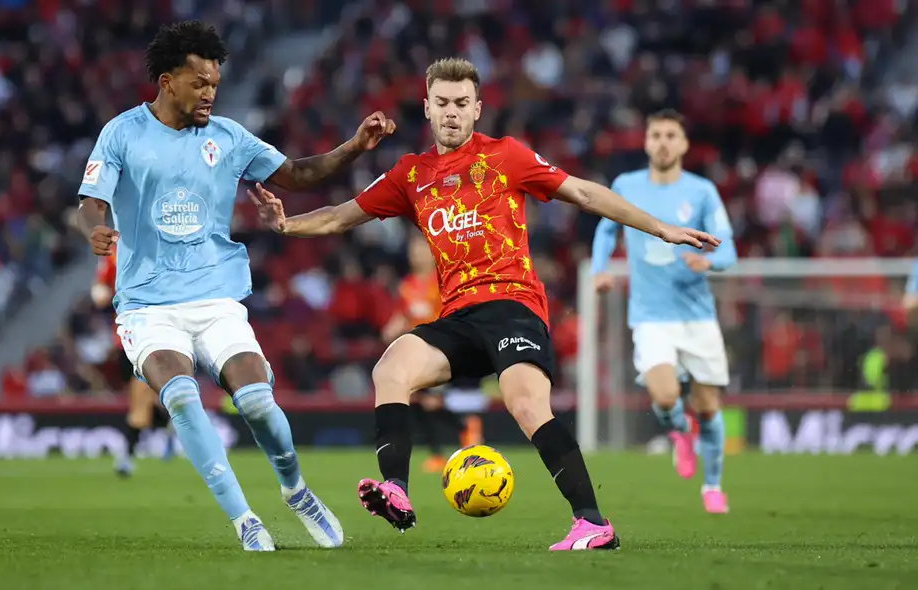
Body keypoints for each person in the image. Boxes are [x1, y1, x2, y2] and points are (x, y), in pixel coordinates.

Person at [249, 58, 719, 551]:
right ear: (427, 108)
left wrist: (661, 228)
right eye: (442, 104)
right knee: (392, 367)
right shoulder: (411, 174)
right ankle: (397, 489)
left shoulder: (506, 156)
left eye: (461, 104)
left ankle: (592, 522)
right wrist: (286, 224)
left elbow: (582, 191)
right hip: (458, 317)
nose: (451, 113)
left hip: (513, 304)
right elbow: (339, 218)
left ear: (477, 109)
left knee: (524, 401)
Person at [76, 20, 396, 552]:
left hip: (216, 297)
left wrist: (354, 148)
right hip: (148, 305)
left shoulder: (228, 137)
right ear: (166, 81)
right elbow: (90, 200)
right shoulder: (122, 133)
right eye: (199, 82)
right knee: (180, 396)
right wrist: (97, 230)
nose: (209, 93)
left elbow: (296, 172)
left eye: (215, 85)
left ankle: (296, 490)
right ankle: (244, 518)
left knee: (256, 403)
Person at [591, 109, 737, 514]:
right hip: (650, 316)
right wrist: (601, 269)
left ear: (685, 144)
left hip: (697, 315)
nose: (663, 142)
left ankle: (713, 486)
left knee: (708, 406)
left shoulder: (703, 191)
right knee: (664, 393)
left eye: (671, 135)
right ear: (646, 141)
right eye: (656, 134)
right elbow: (606, 229)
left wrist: (710, 262)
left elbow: (730, 249)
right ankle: (679, 431)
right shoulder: (626, 185)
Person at [381, 232, 468, 473]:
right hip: (415, 351)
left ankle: (462, 428)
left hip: (438, 349)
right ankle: (442, 449)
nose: (416, 255)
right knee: (418, 401)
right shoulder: (407, 285)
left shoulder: (441, 281)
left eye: (421, 250)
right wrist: (391, 329)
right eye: (413, 250)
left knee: (429, 402)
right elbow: (403, 316)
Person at [91, 245, 175, 477]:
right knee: (145, 400)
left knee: (140, 400)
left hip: (153, 337)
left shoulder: (160, 249)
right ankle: (168, 422)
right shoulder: (114, 253)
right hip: (125, 338)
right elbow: (100, 288)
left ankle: (126, 456)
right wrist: (101, 293)